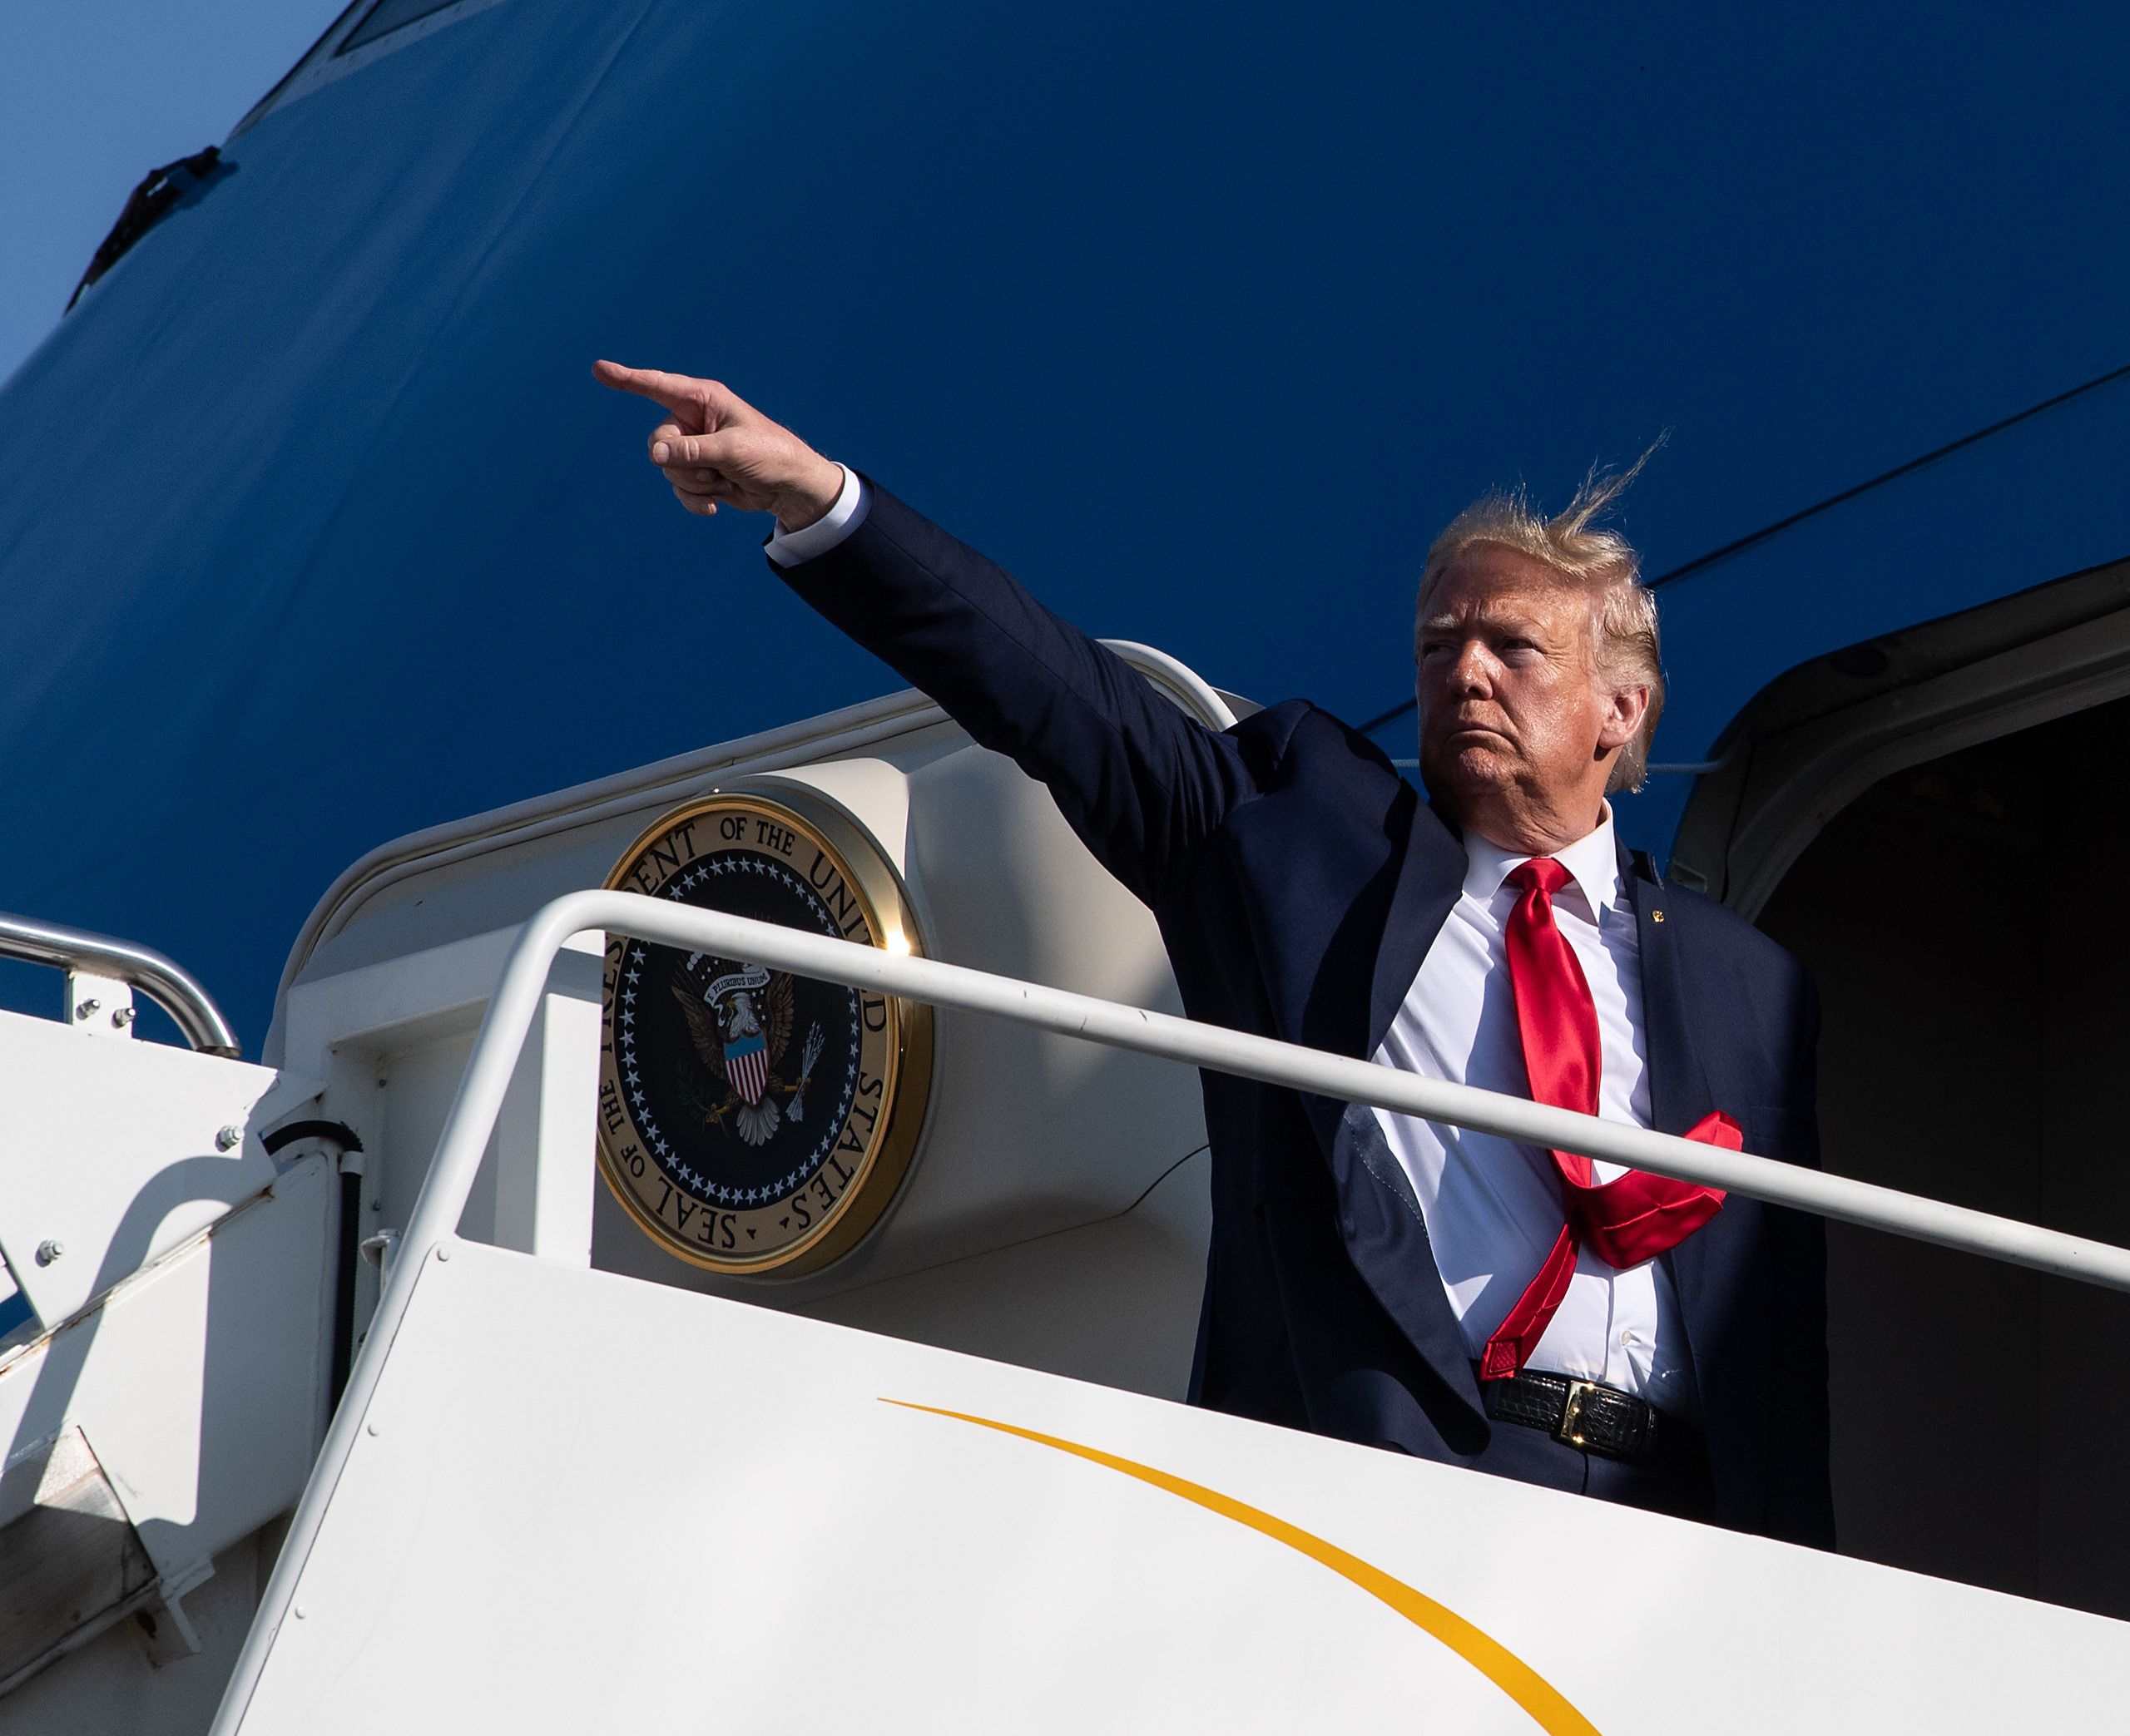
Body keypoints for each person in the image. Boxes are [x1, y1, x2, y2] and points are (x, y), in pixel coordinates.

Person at [594, 360, 1833, 1546]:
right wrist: (824, 501)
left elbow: (1776, 1342)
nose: (1462, 673)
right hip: (1406, 1474)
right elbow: (1055, 693)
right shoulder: (1297, 842)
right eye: (1435, 646)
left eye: (1512, 648)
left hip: (1683, 1518)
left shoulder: (1747, 984)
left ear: (1620, 709)